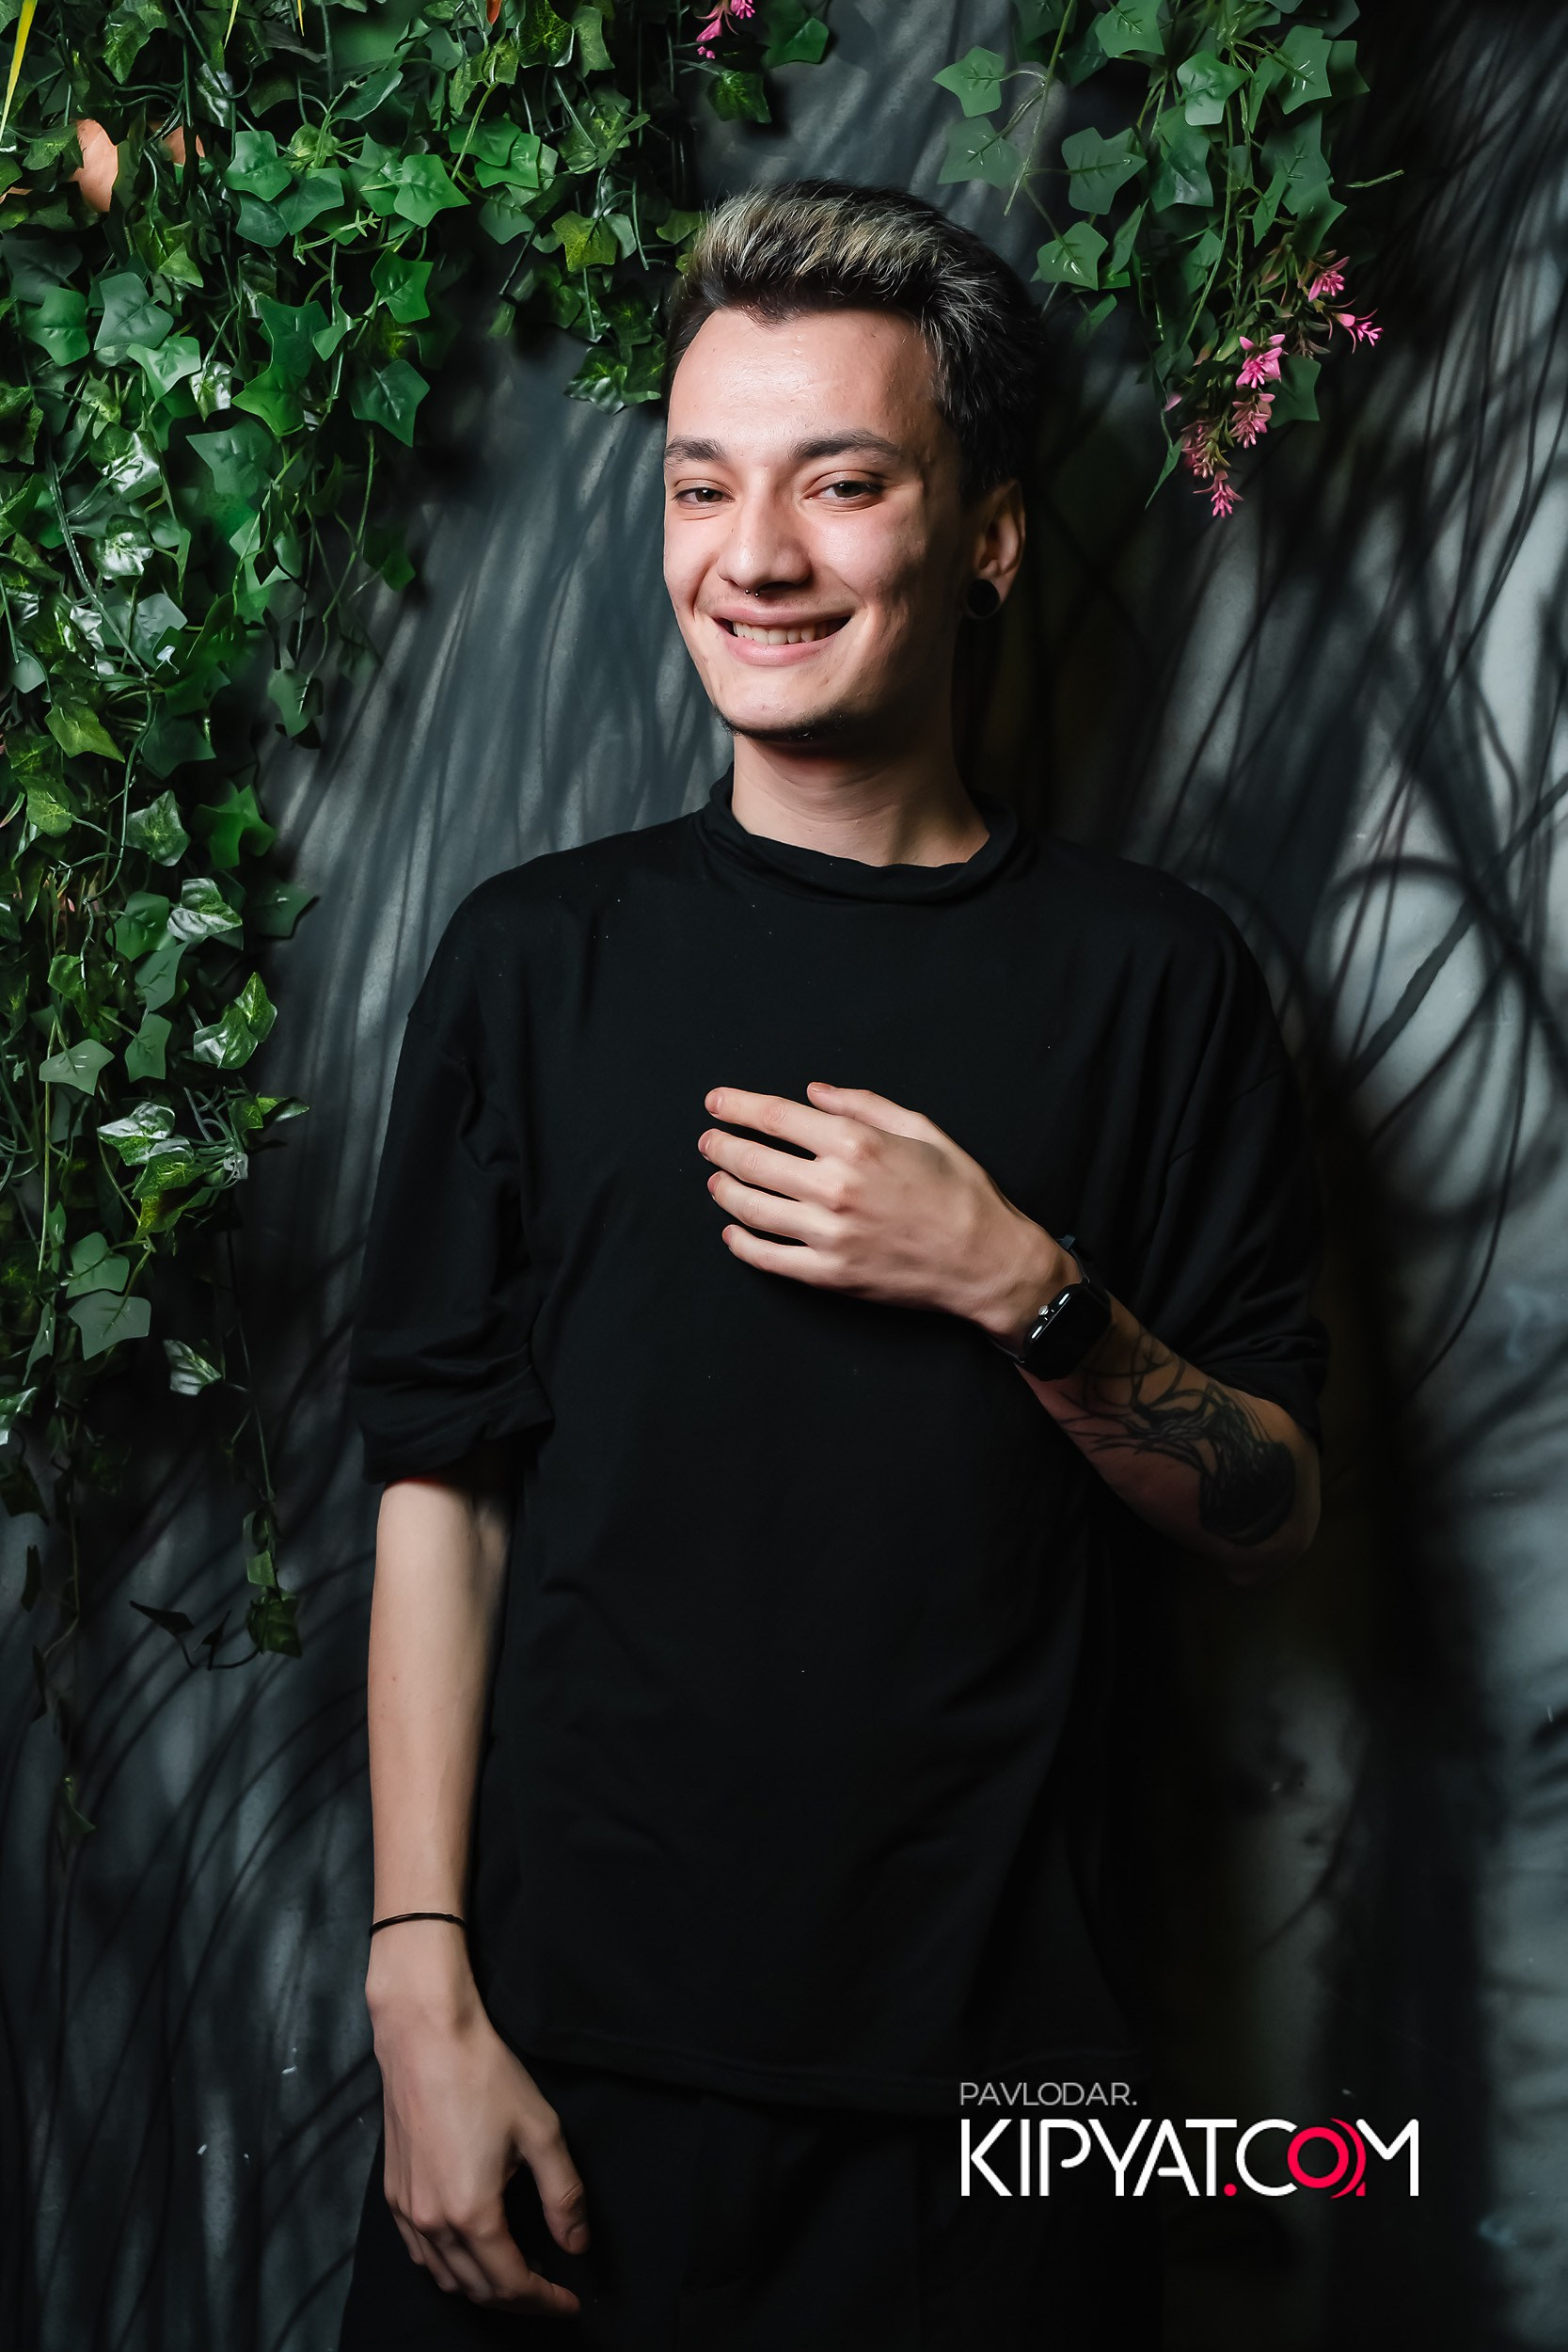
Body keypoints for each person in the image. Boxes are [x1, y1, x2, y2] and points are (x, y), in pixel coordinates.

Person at [337, 179, 1328, 2350]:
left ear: (987, 536)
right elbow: (440, 1483)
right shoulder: (535, 960)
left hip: (1002, 2107)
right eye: (704, 484)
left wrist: (1022, 1282)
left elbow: (1268, 1502)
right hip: (556, 2069)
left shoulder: (1153, 980)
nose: (755, 555)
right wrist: (419, 1985)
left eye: (842, 481)